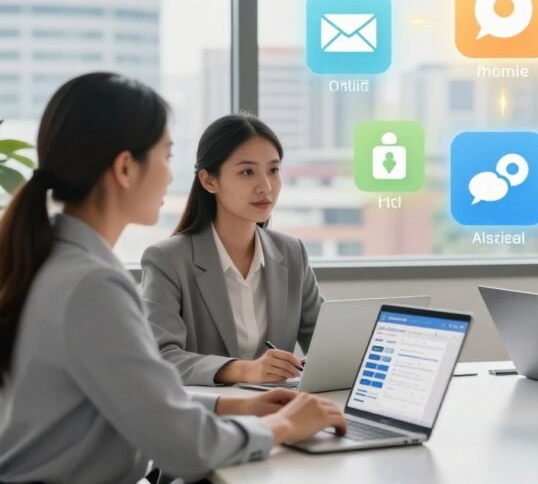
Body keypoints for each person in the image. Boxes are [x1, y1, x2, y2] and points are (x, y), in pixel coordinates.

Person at [0, 73, 345, 484]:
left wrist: (237, 407)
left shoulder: (57, 260)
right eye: (166, 157)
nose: (169, 175)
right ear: (126, 168)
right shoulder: (91, 285)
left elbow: (144, 400)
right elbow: (183, 446)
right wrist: (284, 427)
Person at [142, 114, 323, 386]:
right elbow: (161, 357)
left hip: (279, 411)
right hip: (208, 417)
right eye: (247, 172)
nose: (265, 186)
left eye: (273, 170)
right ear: (209, 181)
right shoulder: (168, 260)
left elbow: (327, 343)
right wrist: (243, 370)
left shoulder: (292, 252)